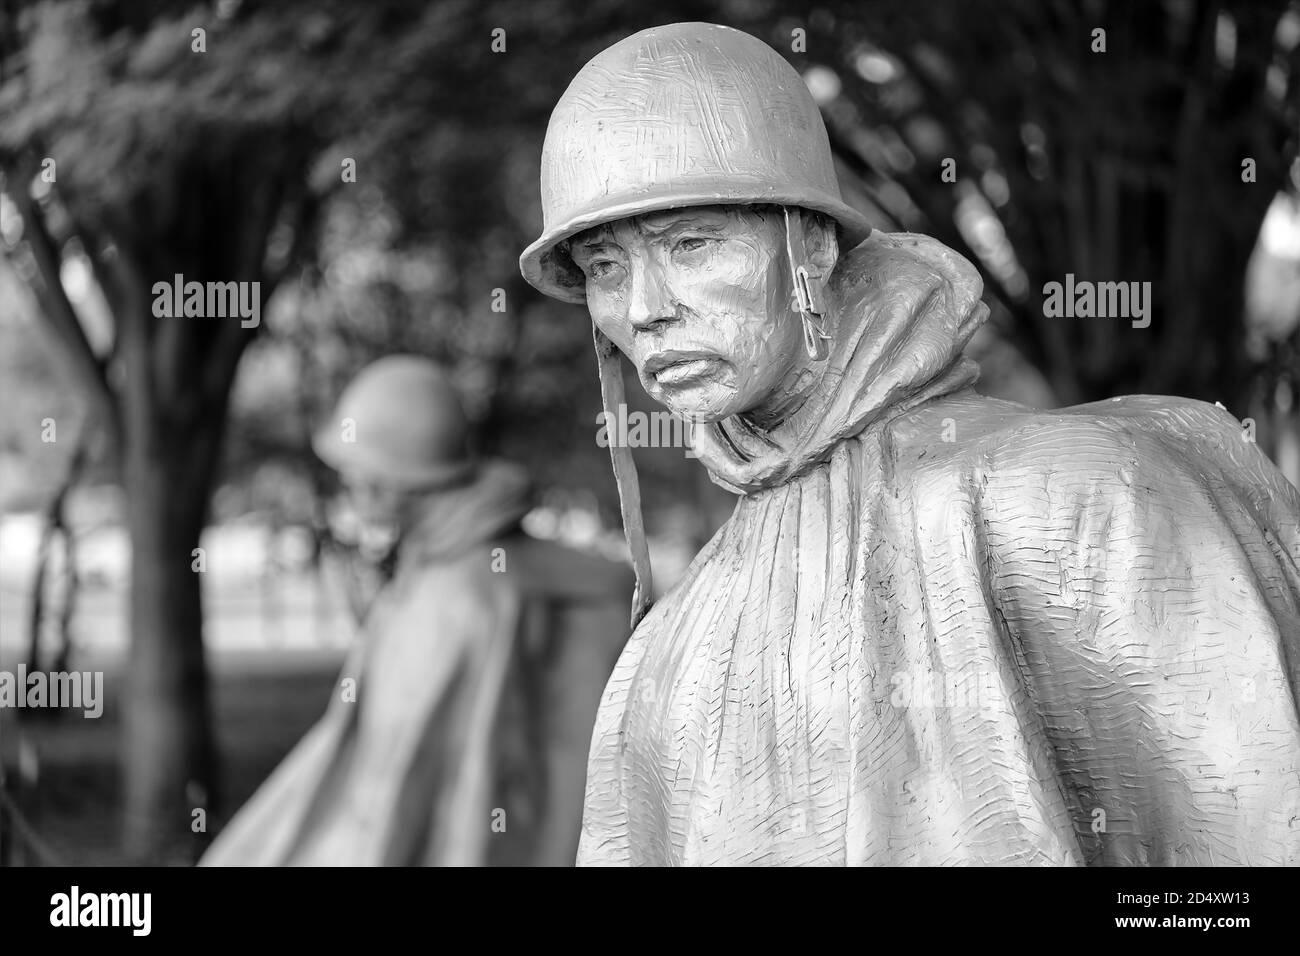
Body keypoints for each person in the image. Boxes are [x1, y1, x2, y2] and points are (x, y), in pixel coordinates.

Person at [518, 22, 1300, 866]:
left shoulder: (1067, 491)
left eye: (690, 245)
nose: (643, 309)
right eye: (604, 267)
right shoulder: (665, 646)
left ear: (811, 247)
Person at [200, 356, 633, 866]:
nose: (348, 485)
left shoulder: (459, 594)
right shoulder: (441, 570)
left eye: (355, 473)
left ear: (387, 480)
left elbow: (393, 796)